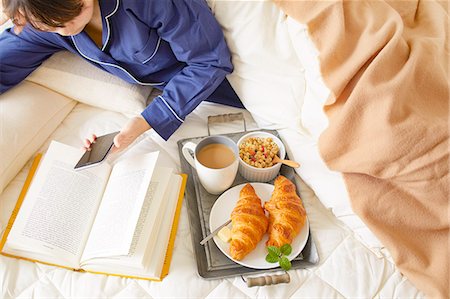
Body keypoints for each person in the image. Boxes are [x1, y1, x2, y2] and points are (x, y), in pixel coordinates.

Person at [0, 0, 243, 152]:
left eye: (69, 17)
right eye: (50, 26)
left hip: (231, 81)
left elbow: (209, 60)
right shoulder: (43, 21)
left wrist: (150, 119)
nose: (62, 31)